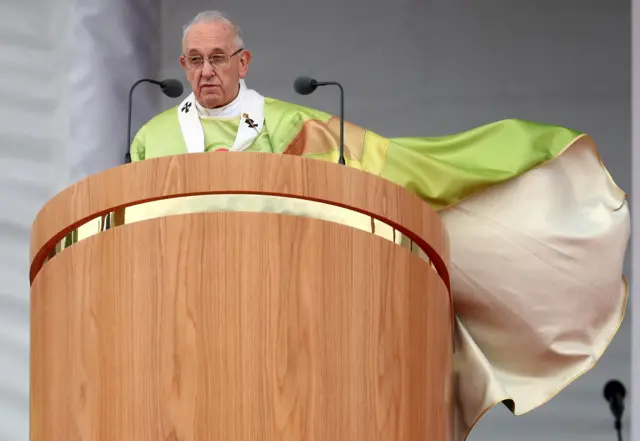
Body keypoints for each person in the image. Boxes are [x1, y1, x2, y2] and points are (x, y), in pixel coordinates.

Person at [129, 10, 630, 441]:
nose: (206, 71)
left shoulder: (288, 125)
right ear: (182, 66)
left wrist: (483, 164)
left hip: (278, 320)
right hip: (179, 322)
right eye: (195, 60)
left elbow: (385, 172)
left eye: (218, 57)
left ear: (244, 61)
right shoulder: (153, 137)